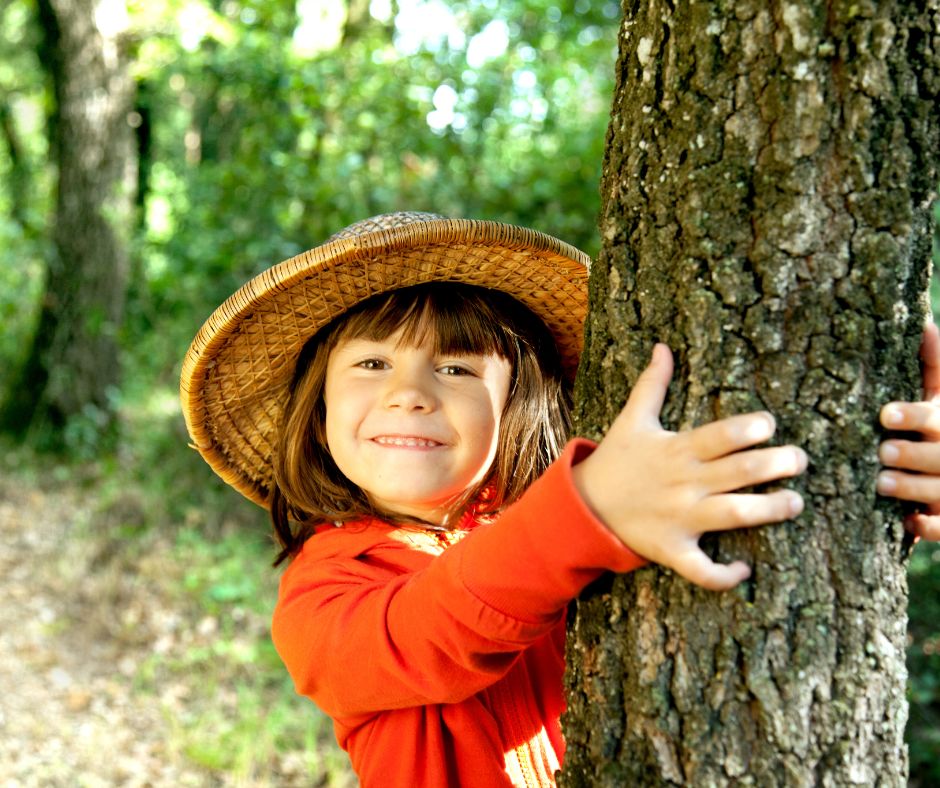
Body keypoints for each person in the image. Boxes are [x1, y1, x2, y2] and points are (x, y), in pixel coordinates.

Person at [180, 211, 940, 787]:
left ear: (519, 408)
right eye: (373, 363)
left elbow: (735, 529)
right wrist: (593, 508)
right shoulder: (323, 594)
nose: (408, 395)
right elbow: (436, 630)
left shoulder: (571, 523)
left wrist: (876, 476)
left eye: (456, 369)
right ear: (316, 412)